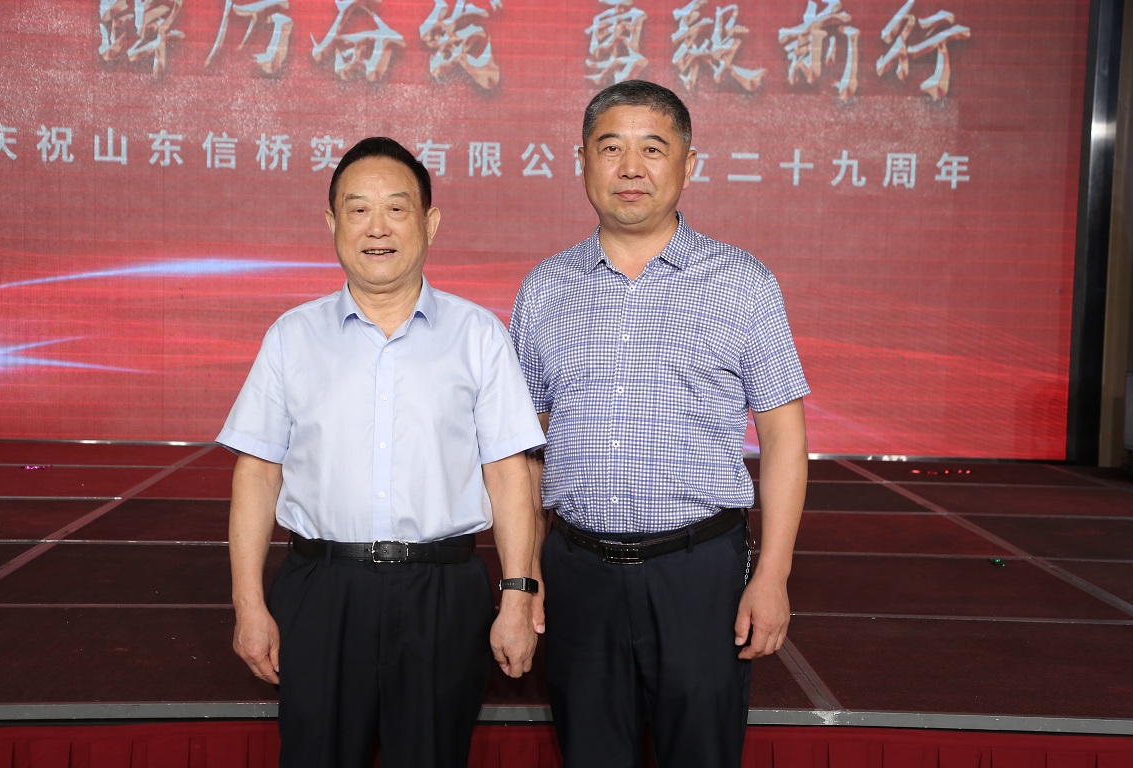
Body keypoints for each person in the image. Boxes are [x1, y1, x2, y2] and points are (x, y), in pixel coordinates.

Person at [219, 136, 546, 768]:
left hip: (442, 592)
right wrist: (249, 605)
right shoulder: (292, 336)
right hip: (321, 590)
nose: (377, 227)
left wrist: (516, 595)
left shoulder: (478, 335)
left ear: (430, 223)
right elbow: (256, 474)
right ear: (332, 223)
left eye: (396, 209)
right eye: (358, 209)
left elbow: (510, 477)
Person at [510, 80, 810, 767]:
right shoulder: (545, 289)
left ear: (688, 164)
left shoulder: (742, 283)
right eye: (610, 148)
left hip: (699, 574)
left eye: (652, 148)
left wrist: (773, 574)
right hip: (578, 571)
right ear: (582, 162)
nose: (630, 168)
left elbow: (784, 439)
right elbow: (522, 452)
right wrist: (524, 575)